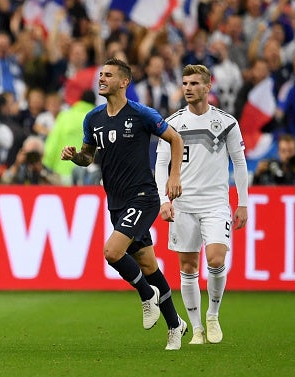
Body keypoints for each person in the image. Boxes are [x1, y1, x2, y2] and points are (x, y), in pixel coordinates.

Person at [60, 58, 188, 350]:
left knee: (112, 252)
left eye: (108, 75)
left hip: (143, 197)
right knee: (148, 264)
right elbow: (88, 157)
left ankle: (146, 296)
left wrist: (174, 176)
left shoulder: (142, 114)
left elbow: (175, 139)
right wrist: (74, 156)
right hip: (116, 203)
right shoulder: (93, 119)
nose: (101, 79)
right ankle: (175, 325)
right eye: (100, 75)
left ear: (123, 82)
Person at [155, 64, 250, 345]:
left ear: (208, 87)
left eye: (194, 83)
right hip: (183, 205)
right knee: (187, 267)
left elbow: (240, 162)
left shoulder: (226, 122)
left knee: (217, 259)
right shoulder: (171, 124)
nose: (188, 88)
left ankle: (213, 314)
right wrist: (163, 199)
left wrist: (242, 203)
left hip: (215, 204)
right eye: (185, 83)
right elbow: (161, 163)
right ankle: (196, 328)